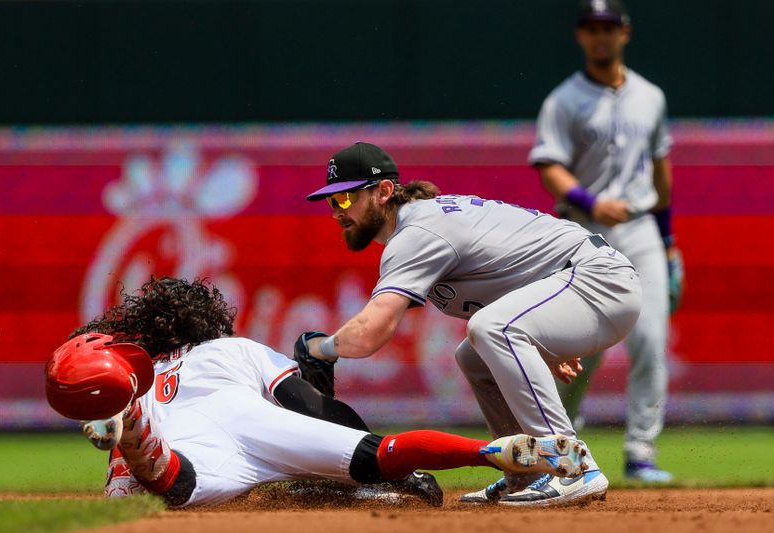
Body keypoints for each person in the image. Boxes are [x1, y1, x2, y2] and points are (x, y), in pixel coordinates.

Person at [45, 277, 590, 508]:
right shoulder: (232, 347)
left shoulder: (144, 368)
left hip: (178, 448)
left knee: (172, 481)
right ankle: (493, 452)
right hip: (249, 422)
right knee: (381, 456)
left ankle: (132, 428)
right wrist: (363, 442)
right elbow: (308, 405)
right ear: (206, 318)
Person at [302, 141, 642, 506]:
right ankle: (529, 470)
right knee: (473, 354)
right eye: (332, 202)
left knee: (492, 328)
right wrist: (543, 331)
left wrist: (319, 348)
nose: (338, 211)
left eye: (347, 198)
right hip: (576, 285)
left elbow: (371, 333)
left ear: (384, 191)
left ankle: (572, 465)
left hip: (598, 279)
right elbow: (514, 267)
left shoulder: (417, 233)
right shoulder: (420, 225)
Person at [528, 0, 683, 483]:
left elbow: (660, 172)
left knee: (651, 341)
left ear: (625, 33)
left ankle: (640, 452)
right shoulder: (563, 100)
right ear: (580, 36)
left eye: (608, 28)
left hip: (639, 230)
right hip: (583, 233)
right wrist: (590, 202)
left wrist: (668, 239)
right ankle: (564, 440)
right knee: (578, 350)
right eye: (592, 28)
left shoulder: (650, 96)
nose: (601, 36)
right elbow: (549, 165)